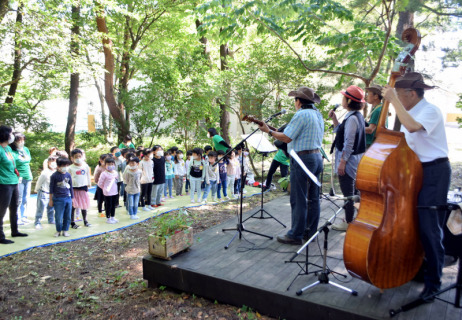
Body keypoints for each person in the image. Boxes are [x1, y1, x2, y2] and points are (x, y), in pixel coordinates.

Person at [382, 72, 451, 301]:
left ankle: (434, 284)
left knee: (430, 229)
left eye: (400, 95)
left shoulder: (430, 111)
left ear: (411, 94)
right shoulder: (410, 110)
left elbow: (411, 128)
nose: (398, 100)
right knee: (415, 225)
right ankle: (419, 270)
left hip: (434, 173)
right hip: (416, 172)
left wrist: (392, 99)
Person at [258, 87, 324, 245]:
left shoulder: (301, 114)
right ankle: (310, 231)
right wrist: (274, 131)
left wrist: (269, 132)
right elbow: (295, 134)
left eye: (295, 100)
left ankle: (296, 234)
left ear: (299, 101)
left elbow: (287, 138)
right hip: (316, 157)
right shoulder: (317, 114)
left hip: (302, 159)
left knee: (299, 197)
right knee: (313, 198)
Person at [328, 85, 366, 231]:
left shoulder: (352, 119)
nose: (342, 100)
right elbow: (340, 133)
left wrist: (342, 162)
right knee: (353, 191)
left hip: (349, 161)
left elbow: (349, 143)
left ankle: (348, 221)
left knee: (348, 192)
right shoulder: (355, 116)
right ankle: (353, 218)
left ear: (349, 101)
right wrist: (335, 120)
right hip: (354, 159)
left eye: (344, 97)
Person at [0, 125, 28, 244]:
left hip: (14, 181)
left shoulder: (8, 149)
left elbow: (13, 163)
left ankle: (15, 231)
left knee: (14, 206)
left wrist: (16, 172)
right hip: (3, 183)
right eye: (11, 133)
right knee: (1, 210)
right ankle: (0, 237)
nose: (12, 135)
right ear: (5, 134)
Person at [10, 132, 33, 225]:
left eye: (23, 140)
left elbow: (28, 160)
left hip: (28, 176)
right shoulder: (11, 151)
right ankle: (17, 217)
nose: (21, 142)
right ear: (14, 141)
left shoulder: (26, 149)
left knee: (26, 198)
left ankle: (24, 216)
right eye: (19, 140)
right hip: (18, 177)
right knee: (18, 199)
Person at [49, 157, 74, 237]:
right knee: (58, 216)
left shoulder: (68, 175)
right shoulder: (54, 176)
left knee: (68, 216)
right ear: (58, 166)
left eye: (67, 165)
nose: (65, 167)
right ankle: (58, 230)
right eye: (63, 165)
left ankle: (65, 230)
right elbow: (51, 189)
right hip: (58, 199)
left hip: (68, 198)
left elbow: (71, 187)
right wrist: (51, 200)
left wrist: (72, 198)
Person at [68, 149, 92, 228]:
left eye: (79, 156)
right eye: (76, 157)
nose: (78, 158)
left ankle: (85, 220)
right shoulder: (70, 168)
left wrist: (89, 184)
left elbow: (88, 175)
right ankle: (72, 222)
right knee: (73, 206)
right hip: (74, 189)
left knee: (84, 205)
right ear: (72, 158)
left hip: (83, 188)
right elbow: (67, 179)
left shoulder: (85, 166)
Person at [34, 156, 57, 229]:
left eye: (55, 161)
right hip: (44, 192)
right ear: (48, 163)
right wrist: (36, 189)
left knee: (51, 207)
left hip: (52, 193)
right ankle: (37, 222)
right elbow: (39, 182)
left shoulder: (56, 172)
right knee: (40, 208)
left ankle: (51, 220)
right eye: (51, 161)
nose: (53, 163)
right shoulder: (45, 172)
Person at [98, 157, 119, 224]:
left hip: (115, 191)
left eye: (112, 164)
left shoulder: (115, 172)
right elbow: (100, 183)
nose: (111, 166)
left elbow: (116, 181)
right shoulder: (104, 174)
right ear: (105, 165)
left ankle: (113, 217)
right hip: (107, 193)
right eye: (109, 164)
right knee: (108, 205)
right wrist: (105, 189)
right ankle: (108, 218)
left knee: (113, 205)